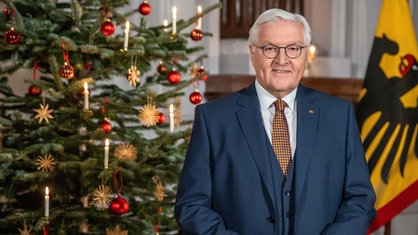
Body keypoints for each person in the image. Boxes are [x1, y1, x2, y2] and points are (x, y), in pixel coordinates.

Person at [174, 8, 376, 235]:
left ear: (304, 54)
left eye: (293, 49)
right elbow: (191, 206)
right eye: (270, 48)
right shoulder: (213, 120)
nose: (282, 60)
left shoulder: (339, 115)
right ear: (252, 52)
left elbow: (360, 198)